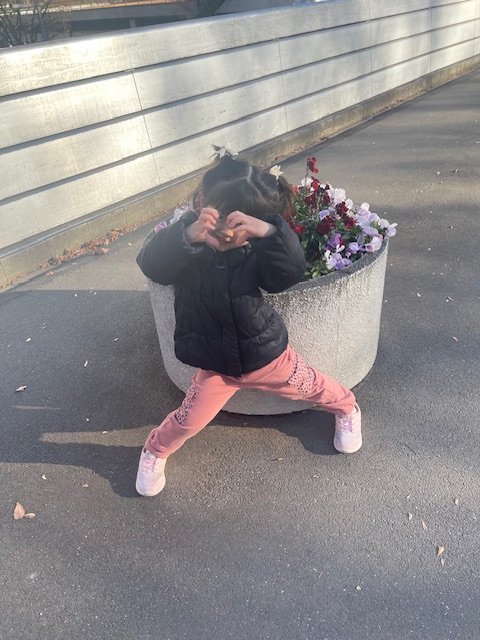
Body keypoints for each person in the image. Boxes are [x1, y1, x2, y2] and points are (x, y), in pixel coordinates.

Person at [135, 152, 362, 497]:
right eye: (217, 223)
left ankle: (347, 407)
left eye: (240, 227)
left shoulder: (257, 251)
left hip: (266, 355)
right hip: (216, 366)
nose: (226, 235)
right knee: (189, 419)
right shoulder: (188, 249)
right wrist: (187, 236)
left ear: (253, 225)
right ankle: (155, 450)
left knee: (312, 386)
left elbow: (287, 275)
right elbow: (152, 265)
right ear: (202, 205)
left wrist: (271, 233)